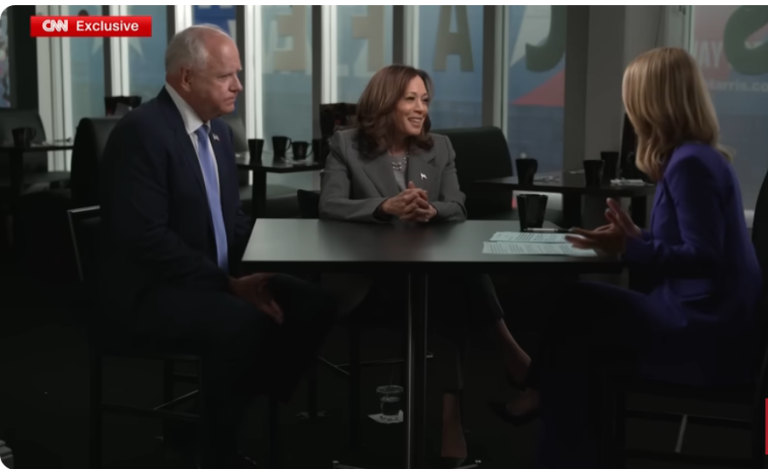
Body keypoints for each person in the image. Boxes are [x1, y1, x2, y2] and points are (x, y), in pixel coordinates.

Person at [493, 47, 763, 468]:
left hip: (706, 330)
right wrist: (638, 235)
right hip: (714, 317)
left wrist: (631, 247)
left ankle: (545, 409)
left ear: (650, 102)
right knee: (581, 333)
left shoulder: (689, 164)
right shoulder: (700, 157)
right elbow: (698, 241)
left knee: (579, 307)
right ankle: (556, 421)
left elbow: (705, 256)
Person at [98, 25, 336, 469]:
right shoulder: (141, 132)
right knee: (246, 323)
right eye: (227, 76)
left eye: (238, 74)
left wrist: (273, 257)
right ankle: (217, 449)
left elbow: (232, 222)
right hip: (150, 293)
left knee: (314, 301)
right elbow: (146, 239)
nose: (239, 86)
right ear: (186, 79)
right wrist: (229, 283)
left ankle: (219, 412)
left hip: (210, 280)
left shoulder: (219, 134)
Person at [319, 64, 530, 466]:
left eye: (425, 100)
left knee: (448, 282)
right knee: (454, 280)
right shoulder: (345, 144)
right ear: (385, 103)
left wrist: (429, 209)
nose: (421, 109)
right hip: (371, 280)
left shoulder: (440, 147)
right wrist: (385, 207)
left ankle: (452, 419)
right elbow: (329, 204)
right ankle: (510, 357)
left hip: (428, 274)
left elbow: (459, 205)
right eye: (411, 99)